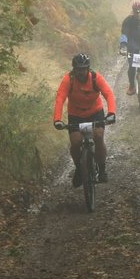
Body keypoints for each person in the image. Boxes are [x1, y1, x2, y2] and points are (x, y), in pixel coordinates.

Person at [53, 53, 117, 186]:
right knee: (75, 142)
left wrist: (111, 112)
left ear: (88, 68)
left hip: (95, 112)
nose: (81, 72)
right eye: (78, 69)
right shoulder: (68, 80)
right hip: (76, 114)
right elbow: (60, 98)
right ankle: (79, 168)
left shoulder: (95, 78)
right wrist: (57, 119)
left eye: (83, 69)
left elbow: (108, 93)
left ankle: (102, 169)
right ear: (74, 69)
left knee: (98, 136)